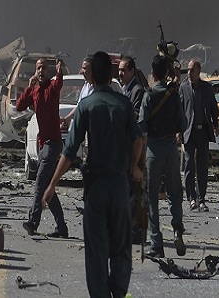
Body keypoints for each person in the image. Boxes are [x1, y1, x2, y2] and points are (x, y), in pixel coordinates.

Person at [43, 51, 143, 298]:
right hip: (120, 185)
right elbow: (137, 139)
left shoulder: (87, 106)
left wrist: (52, 184)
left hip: (96, 188)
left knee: (96, 250)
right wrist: (134, 166)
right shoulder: (124, 104)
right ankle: (118, 291)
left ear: (93, 77)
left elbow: (69, 150)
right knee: (121, 246)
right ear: (110, 77)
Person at [138, 55, 187, 258]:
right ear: (167, 73)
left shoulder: (149, 95)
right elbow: (183, 123)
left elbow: (141, 125)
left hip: (153, 150)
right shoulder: (173, 95)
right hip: (171, 149)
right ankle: (177, 230)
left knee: (151, 197)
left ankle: (156, 244)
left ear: (152, 73)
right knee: (175, 193)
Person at [16, 58, 69, 238]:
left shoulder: (52, 88)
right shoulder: (35, 89)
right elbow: (19, 106)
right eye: (38, 68)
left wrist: (59, 72)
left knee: (39, 183)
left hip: (53, 144)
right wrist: (29, 87)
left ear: (48, 71)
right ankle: (62, 227)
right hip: (43, 144)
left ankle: (33, 222)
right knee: (47, 186)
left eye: (44, 68)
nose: (41, 71)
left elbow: (58, 84)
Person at [179, 59, 219, 212]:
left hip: (203, 131)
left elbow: (213, 107)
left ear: (198, 71)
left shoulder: (206, 88)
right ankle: (191, 199)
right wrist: (178, 131)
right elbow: (180, 110)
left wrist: (216, 124)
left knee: (202, 166)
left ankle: (201, 199)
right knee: (189, 164)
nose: (189, 73)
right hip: (189, 131)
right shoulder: (183, 87)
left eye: (192, 70)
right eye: (188, 70)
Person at [119, 56, 148, 246]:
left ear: (132, 71)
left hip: (135, 147)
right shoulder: (125, 89)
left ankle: (136, 231)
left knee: (135, 190)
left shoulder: (137, 90)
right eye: (119, 70)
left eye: (123, 70)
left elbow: (136, 116)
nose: (120, 73)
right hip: (127, 146)